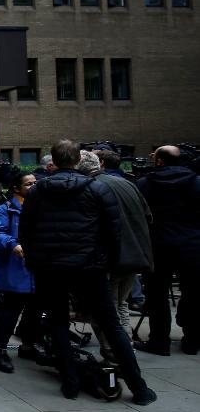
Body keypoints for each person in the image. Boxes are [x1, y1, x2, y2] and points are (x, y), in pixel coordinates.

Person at [19, 139, 156, 405]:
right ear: (78, 161)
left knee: (58, 322)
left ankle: (70, 382)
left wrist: (34, 261)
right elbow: (112, 231)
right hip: (89, 267)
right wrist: (107, 262)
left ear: (54, 162)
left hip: (51, 267)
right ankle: (138, 388)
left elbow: (26, 230)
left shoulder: (38, 192)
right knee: (111, 324)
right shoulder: (97, 189)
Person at [76, 151, 153, 362]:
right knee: (120, 304)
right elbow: (148, 217)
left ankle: (115, 354)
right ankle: (126, 348)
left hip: (109, 260)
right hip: (134, 255)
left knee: (104, 310)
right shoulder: (126, 183)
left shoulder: (90, 188)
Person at [134, 145, 200, 356]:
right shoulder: (196, 182)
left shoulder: (145, 183)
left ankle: (159, 342)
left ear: (160, 161)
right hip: (191, 245)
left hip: (158, 245)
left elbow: (140, 216)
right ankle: (192, 341)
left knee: (156, 295)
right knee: (193, 293)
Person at [0, 172, 43, 373]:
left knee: (35, 312)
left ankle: (28, 346)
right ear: (17, 188)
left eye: (35, 183)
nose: (34, 186)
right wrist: (13, 244)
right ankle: (0, 351)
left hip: (36, 270)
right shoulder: (6, 210)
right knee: (9, 314)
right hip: (15, 270)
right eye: (29, 184)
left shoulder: (41, 207)